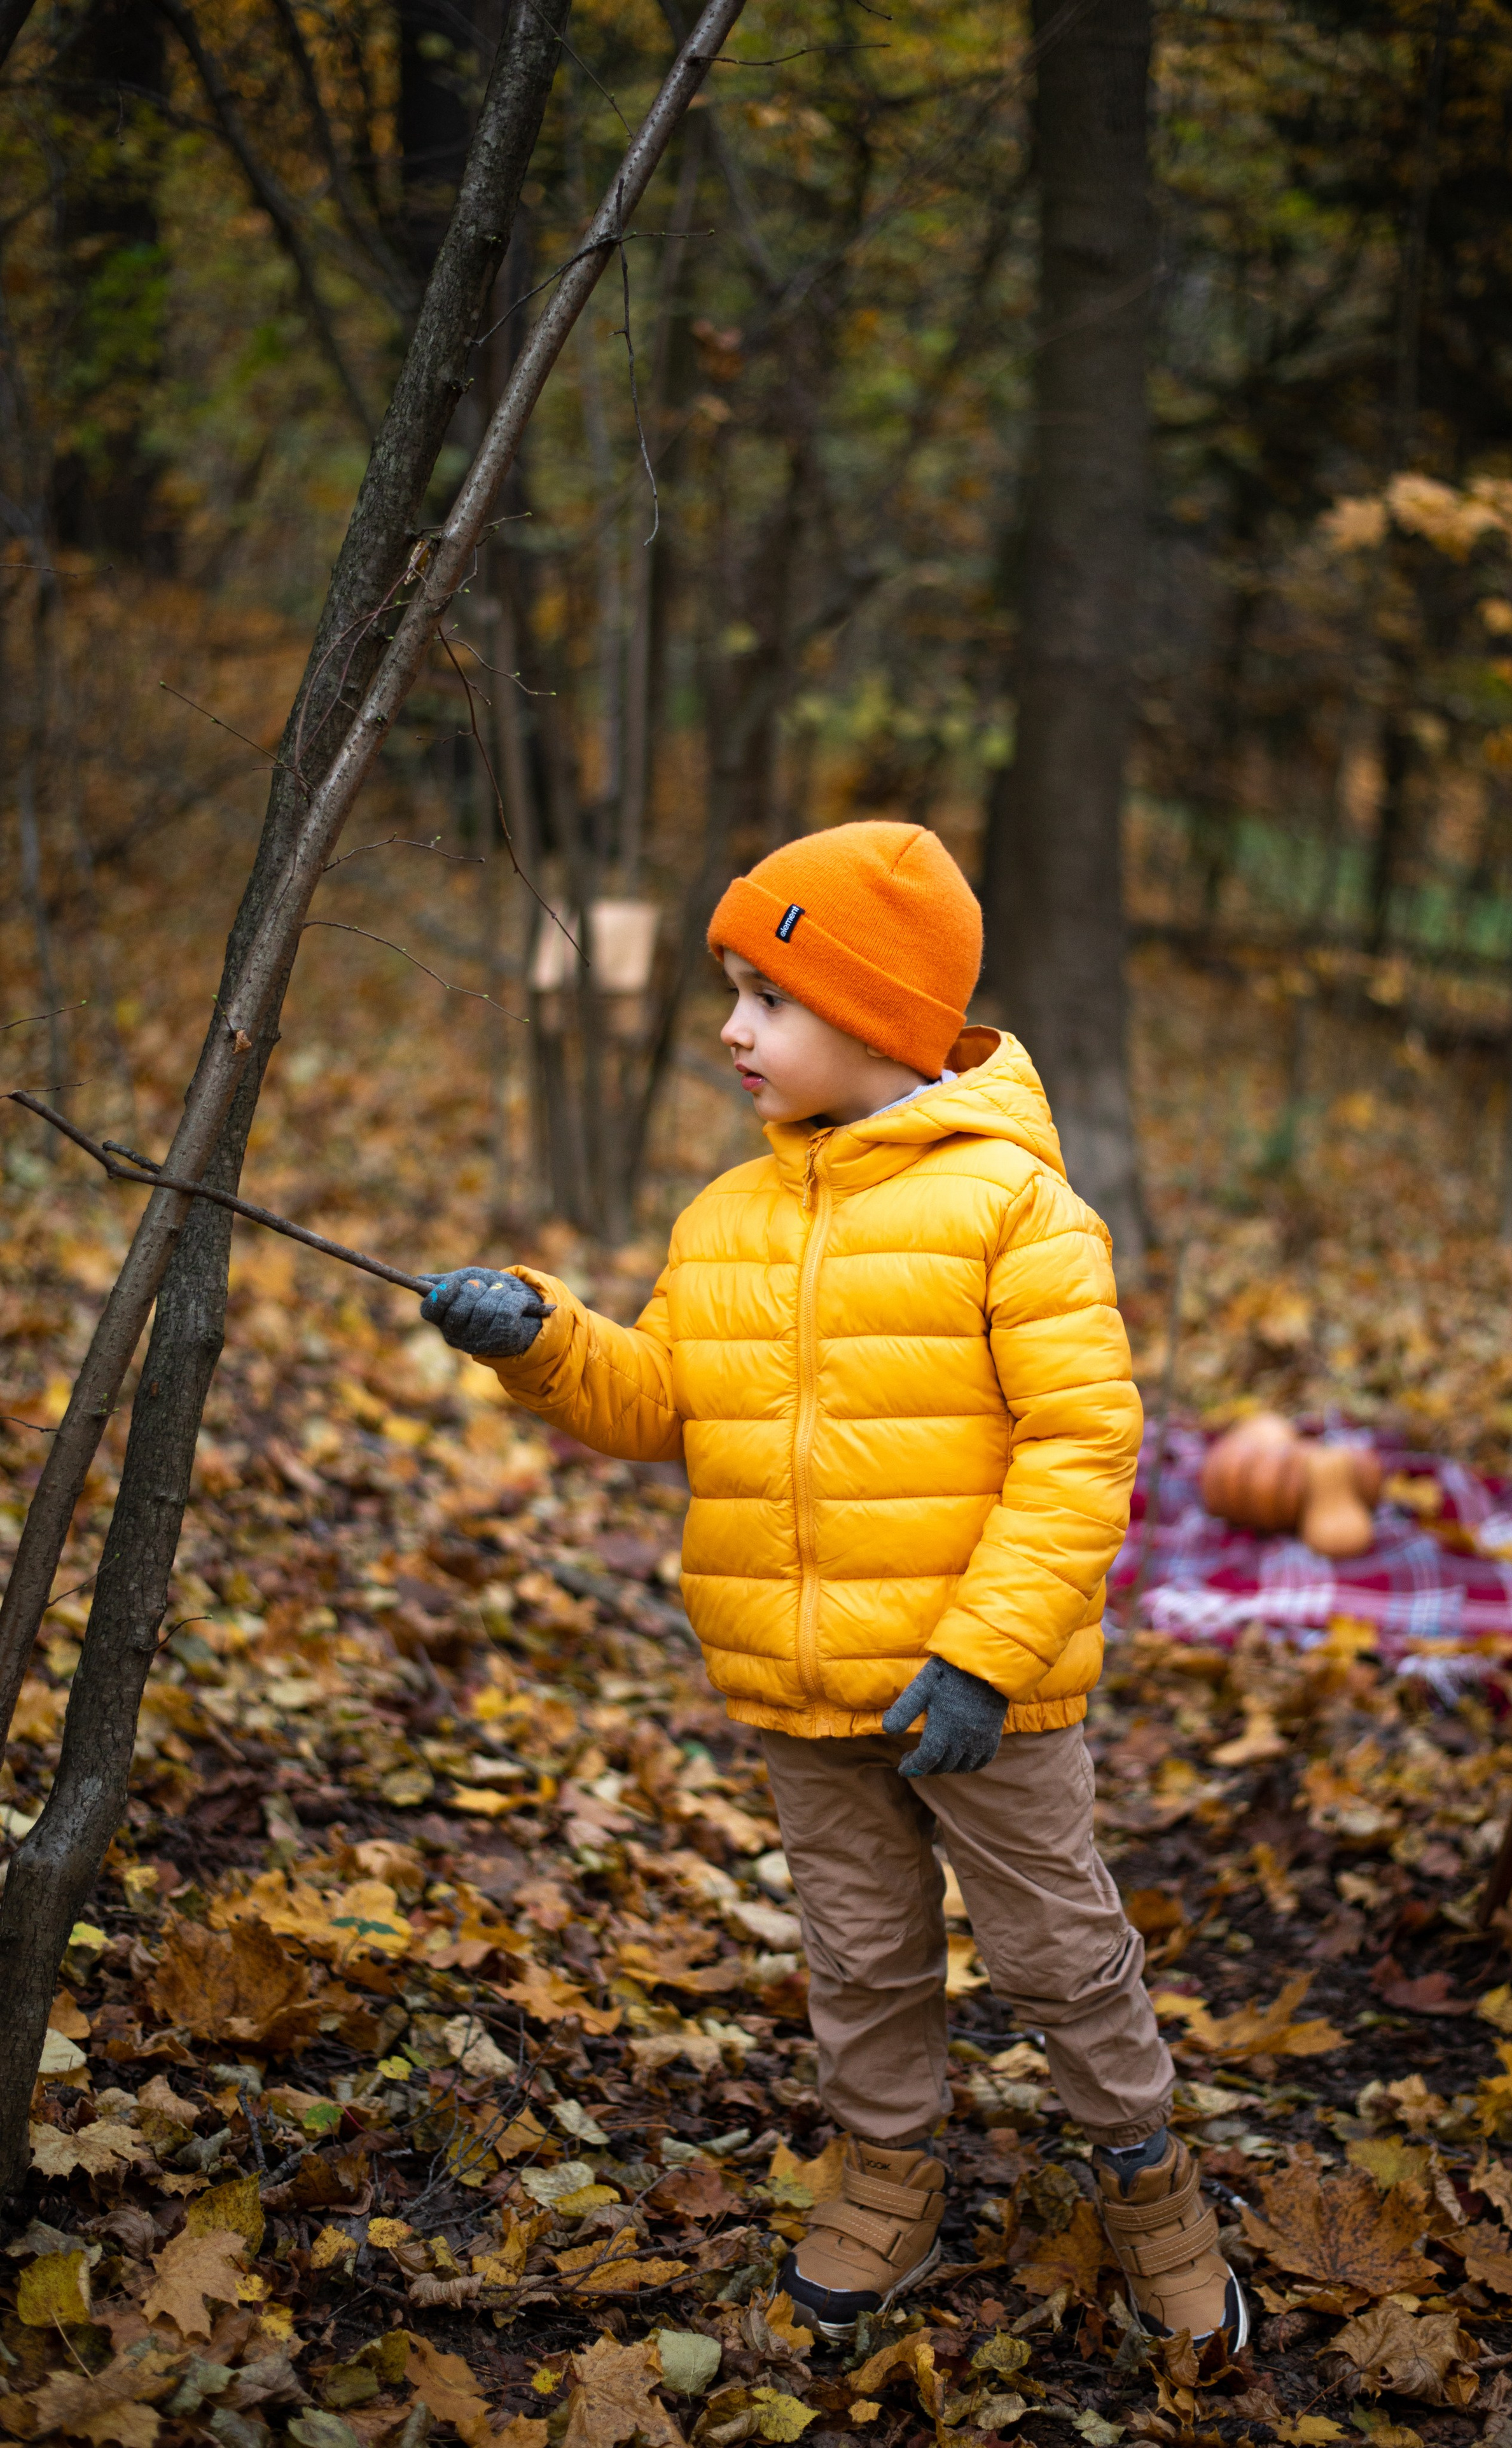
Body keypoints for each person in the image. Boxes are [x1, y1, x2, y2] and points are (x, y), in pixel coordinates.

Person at [421, 818, 1245, 2351]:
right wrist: (539, 1338)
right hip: (798, 1684)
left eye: (768, 997)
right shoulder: (725, 1218)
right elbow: (661, 1398)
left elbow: (1081, 1450)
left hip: (981, 1690)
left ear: (875, 1019)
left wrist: (987, 1656)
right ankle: (885, 2176)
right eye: (730, 990)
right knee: (859, 1955)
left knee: (1056, 1950)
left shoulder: (1016, 1209)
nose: (730, 1027)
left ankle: (1145, 2178)